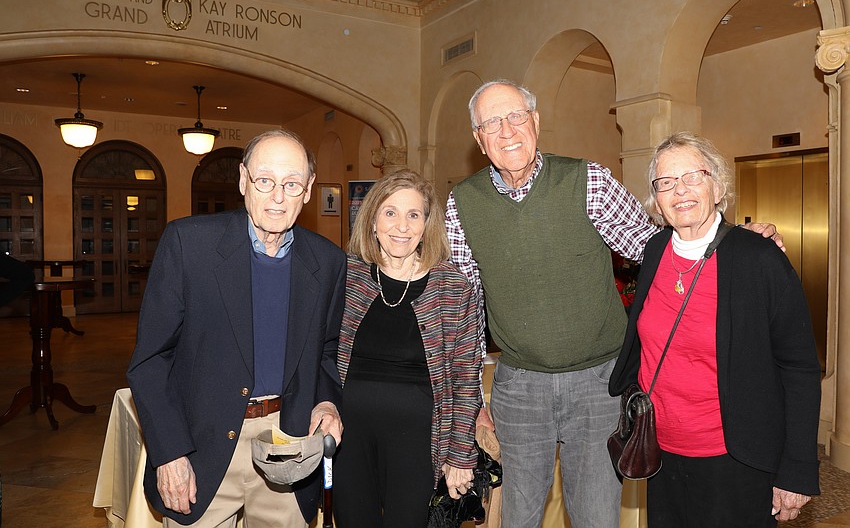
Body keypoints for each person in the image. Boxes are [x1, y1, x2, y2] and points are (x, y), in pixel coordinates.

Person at [446, 79, 783, 528]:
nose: (506, 131)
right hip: (519, 387)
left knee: (597, 518)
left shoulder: (588, 181)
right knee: (518, 519)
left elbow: (660, 250)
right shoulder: (462, 204)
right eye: (492, 123)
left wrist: (739, 243)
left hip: (599, 385)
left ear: (536, 122)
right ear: (478, 138)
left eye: (516, 117)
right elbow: (463, 312)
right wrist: (469, 401)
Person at [127, 128, 346, 527]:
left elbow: (328, 352)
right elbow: (151, 360)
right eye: (265, 181)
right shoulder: (188, 244)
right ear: (244, 179)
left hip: (288, 449)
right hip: (201, 448)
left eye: (292, 183)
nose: (278, 197)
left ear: (309, 189)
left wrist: (328, 403)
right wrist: (170, 453)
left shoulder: (328, 262)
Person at [609, 132, 820, 527]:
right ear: (656, 200)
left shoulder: (759, 259)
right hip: (662, 454)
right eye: (666, 182)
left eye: (693, 176)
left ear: (718, 186)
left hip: (736, 459)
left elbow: (800, 368)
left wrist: (797, 468)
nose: (680, 190)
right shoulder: (654, 252)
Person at [334, 169, 481, 527]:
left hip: (418, 440)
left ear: (426, 224)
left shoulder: (453, 288)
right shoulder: (345, 275)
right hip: (347, 437)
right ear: (372, 221)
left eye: (413, 214)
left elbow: (465, 380)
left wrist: (460, 455)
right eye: (390, 212)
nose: (402, 225)